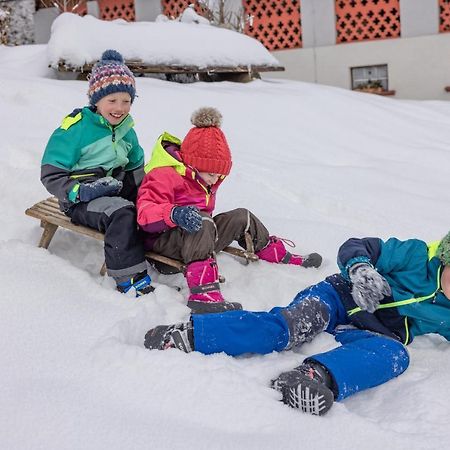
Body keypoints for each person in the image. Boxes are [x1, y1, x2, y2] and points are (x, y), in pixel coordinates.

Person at [144, 231, 450, 416]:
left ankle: (312, 377)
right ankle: (193, 334)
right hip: (339, 297)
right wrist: (360, 269)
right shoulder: (416, 255)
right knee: (288, 327)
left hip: (374, 331)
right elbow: (357, 246)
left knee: (395, 356)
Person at [136, 107, 322, 314]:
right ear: (192, 165)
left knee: (241, 216)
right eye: (211, 174)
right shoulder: (164, 175)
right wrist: (173, 214)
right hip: (163, 247)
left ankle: (277, 254)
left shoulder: (204, 179)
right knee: (203, 221)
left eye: (219, 175)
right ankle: (203, 294)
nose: (215, 180)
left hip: (198, 240)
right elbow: (145, 215)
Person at [41, 49, 152, 297]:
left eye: (126, 101)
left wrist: (148, 196)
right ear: (96, 100)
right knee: (122, 213)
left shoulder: (126, 129)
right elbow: (50, 174)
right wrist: (81, 191)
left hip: (113, 186)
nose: (120, 108)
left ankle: (163, 249)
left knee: (150, 204)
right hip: (79, 200)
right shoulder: (76, 128)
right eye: (112, 100)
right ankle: (129, 277)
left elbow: (136, 170)